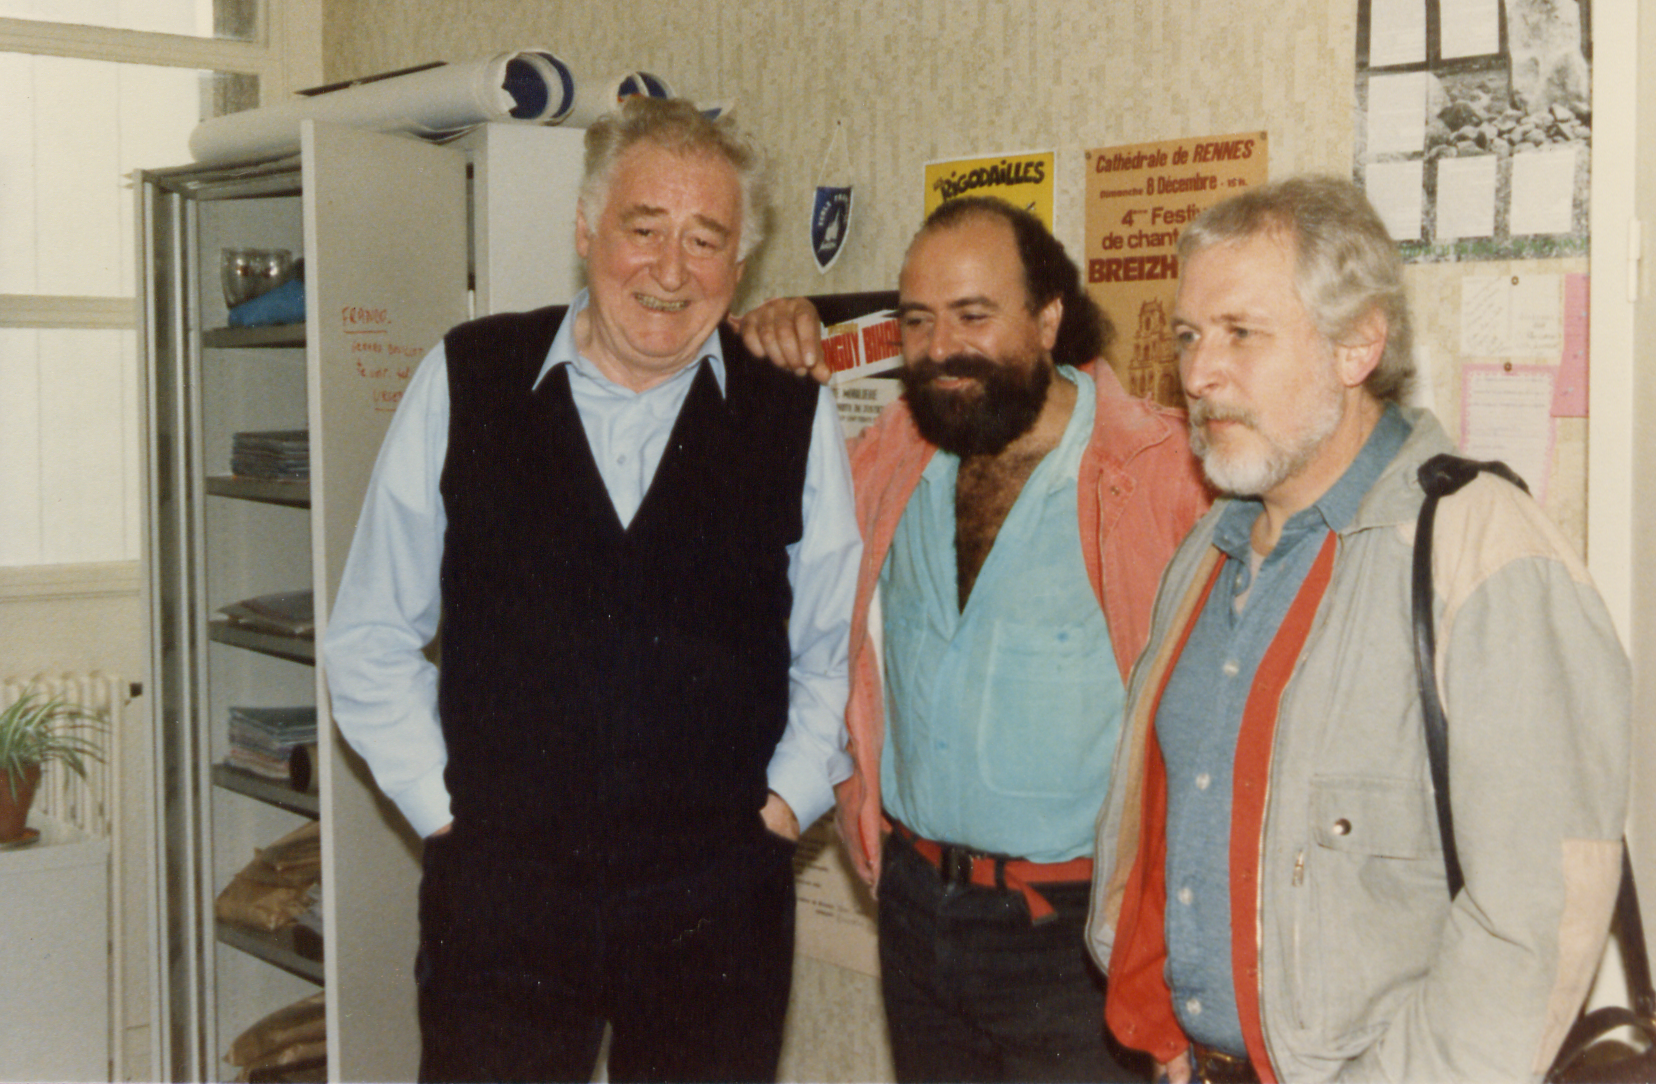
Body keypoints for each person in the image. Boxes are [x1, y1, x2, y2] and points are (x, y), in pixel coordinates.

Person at [322, 96, 861, 1084]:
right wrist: (447, 813)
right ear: (584, 228)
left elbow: (834, 650)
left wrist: (784, 805)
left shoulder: (790, 415)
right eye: (643, 228)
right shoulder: (466, 378)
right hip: (503, 903)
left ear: (739, 262)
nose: (670, 269)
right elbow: (369, 631)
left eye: (707, 239)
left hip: (715, 907)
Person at [1087, 175, 1630, 1083]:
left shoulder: (1480, 548)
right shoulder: (1206, 555)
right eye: (1188, 335)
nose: (1197, 373)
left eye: (1240, 334)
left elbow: (1533, 921)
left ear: (1357, 344)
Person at [741, 196, 1210, 1082]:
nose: (941, 348)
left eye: (973, 316)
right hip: (917, 914)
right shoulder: (884, 459)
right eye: (918, 321)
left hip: (1079, 939)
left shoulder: (1160, 479)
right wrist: (753, 341)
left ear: (1048, 319)